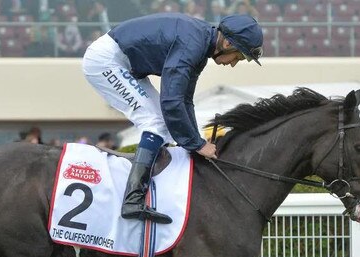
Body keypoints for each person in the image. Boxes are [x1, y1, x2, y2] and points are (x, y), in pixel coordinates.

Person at [82, 13, 263, 224]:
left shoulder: (200, 45)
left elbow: (185, 100)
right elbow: (171, 101)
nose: (233, 64)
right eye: (238, 56)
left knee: (164, 125)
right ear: (227, 42)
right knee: (156, 123)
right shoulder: (192, 45)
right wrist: (195, 144)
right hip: (106, 61)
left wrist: (197, 143)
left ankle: (151, 191)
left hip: (124, 62)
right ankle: (133, 200)